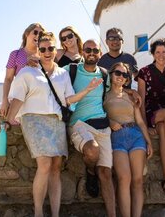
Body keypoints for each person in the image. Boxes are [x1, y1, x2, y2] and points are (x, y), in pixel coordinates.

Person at [7, 32, 99, 217]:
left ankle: (55, 214)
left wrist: (87, 90)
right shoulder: (27, 71)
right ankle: (39, 213)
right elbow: (17, 97)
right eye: (43, 49)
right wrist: (7, 118)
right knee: (45, 164)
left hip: (56, 121)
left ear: (55, 49)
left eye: (50, 48)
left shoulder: (62, 73)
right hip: (34, 119)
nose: (47, 52)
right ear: (38, 51)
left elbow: (68, 99)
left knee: (56, 166)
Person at [64, 39, 117, 217]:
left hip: (102, 126)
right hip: (79, 124)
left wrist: (131, 92)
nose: (92, 53)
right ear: (83, 52)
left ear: (100, 54)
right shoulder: (70, 70)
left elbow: (114, 89)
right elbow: (50, 78)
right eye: (88, 49)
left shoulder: (104, 74)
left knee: (107, 173)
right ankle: (90, 170)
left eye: (95, 50)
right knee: (92, 151)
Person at [104, 62, 153, 217]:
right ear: (111, 75)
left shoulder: (131, 96)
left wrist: (149, 142)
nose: (121, 77)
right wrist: (109, 122)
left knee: (137, 181)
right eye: (117, 73)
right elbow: (97, 114)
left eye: (125, 75)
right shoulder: (103, 95)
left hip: (136, 135)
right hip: (116, 138)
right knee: (124, 179)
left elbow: (139, 121)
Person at [136, 39, 165, 192]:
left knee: (164, 130)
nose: (161, 55)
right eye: (158, 52)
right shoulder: (144, 72)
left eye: (164, 52)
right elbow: (141, 101)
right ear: (152, 54)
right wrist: (146, 125)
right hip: (152, 112)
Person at [0, 23, 44, 117]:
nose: (38, 36)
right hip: (20, 102)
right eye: (35, 32)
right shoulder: (15, 54)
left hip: (40, 102)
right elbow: (8, 79)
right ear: (26, 34)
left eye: (41, 34)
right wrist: (5, 100)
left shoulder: (44, 55)